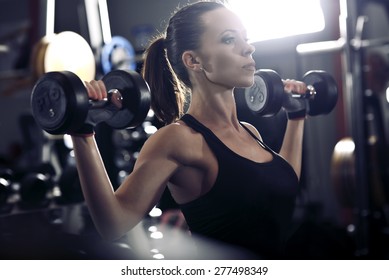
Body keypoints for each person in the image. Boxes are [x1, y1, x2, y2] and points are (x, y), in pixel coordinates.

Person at [71, 0, 307, 259]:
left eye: (245, 38)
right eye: (229, 40)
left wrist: (297, 116)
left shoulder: (250, 132)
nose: (248, 48)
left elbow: (284, 186)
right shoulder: (178, 139)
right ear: (193, 60)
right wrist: (82, 130)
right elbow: (112, 224)